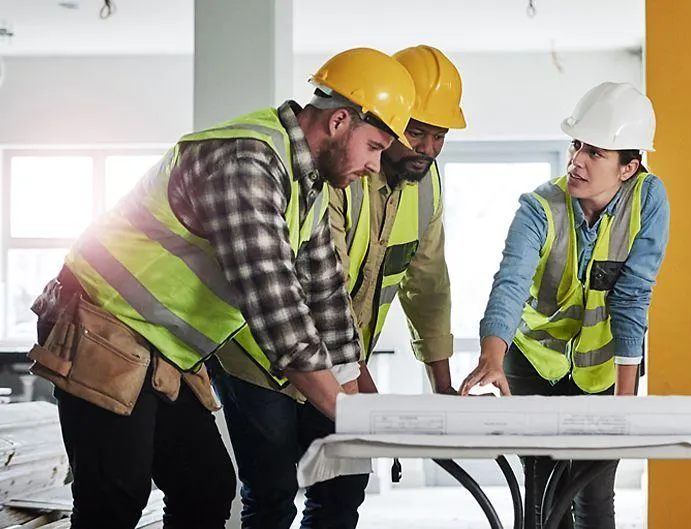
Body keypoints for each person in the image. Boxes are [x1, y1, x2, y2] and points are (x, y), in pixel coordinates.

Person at [26, 47, 416, 529]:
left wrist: (356, 386)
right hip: (100, 323)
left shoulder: (307, 182)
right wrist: (349, 414)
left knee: (205, 488)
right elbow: (277, 310)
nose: (377, 166)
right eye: (375, 147)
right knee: (116, 495)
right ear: (339, 121)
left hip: (163, 346)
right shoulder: (248, 161)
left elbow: (326, 296)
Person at [211, 44, 467, 529]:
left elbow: (428, 285)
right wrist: (361, 401)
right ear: (385, 121)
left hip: (339, 359)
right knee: (273, 492)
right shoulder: (334, 170)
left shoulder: (426, 186)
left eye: (440, 136)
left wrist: (442, 386)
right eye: (416, 132)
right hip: (261, 358)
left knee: (343, 490)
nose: (428, 149)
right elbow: (312, 295)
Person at [459, 82, 670, 529]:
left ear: (629, 167)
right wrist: (492, 358)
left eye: (595, 152)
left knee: (592, 493)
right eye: (576, 145)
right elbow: (511, 284)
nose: (576, 160)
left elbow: (633, 296)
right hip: (531, 364)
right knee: (543, 497)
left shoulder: (649, 200)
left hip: (603, 371)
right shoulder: (539, 207)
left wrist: (625, 404)